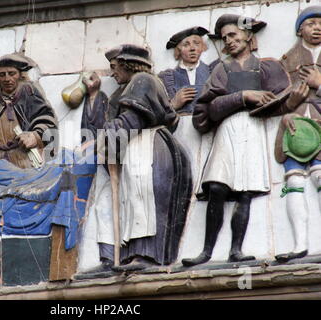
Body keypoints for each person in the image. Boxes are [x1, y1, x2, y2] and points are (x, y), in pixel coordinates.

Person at [182, 14, 302, 266]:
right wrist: (243, 96)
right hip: (228, 129)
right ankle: (206, 251)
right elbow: (207, 110)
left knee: (245, 192)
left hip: (253, 130)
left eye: (234, 35)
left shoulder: (266, 67)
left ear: (248, 36)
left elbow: (279, 101)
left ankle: (236, 249)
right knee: (216, 186)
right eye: (225, 38)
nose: (229, 41)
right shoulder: (222, 69)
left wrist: (291, 101)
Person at [78, 44, 192, 275]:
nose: (112, 73)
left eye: (115, 67)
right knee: (125, 200)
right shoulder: (123, 91)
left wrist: (105, 137)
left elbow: (132, 120)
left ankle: (147, 255)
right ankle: (122, 256)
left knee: (143, 197)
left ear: (128, 64)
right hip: (133, 149)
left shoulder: (143, 80)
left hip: (148, 146)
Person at [0, 53, 58, 185]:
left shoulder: (29, 93)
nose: (7, 79)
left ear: (20, 74)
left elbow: (47, 120)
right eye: (2, 74)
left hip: (23, 159)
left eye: (11, 73)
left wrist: (35, 136)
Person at [274, 5, 321, 262]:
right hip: (295, 129)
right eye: (311, 23)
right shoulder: (288, 60)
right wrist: (288, 108)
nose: (317, 28)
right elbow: (277, 98)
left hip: (320, 126)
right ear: (300, 29)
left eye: (320, 23)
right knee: (294, 183)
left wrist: (319, 84)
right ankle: (300, 245)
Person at [158, 26, 212, 114]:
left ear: (203, 47)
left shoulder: (212, 71)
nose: (192, 48)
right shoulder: (167, 78)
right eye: (186, 45)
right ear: (178, 50)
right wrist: (173, 105)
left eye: (196, 43)